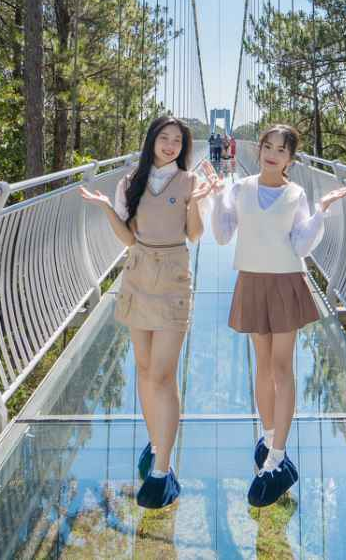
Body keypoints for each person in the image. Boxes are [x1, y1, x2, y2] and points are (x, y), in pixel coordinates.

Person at [79, 115, 219, 508]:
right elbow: (128, 238)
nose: (171, 145)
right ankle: (157, 439)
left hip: (173, 277)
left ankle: (162, 467)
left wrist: (194, 201)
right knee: (143, 368)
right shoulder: (130, 182)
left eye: (178, 140)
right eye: (165, 137)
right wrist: (108, 207)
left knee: (163, 373)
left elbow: (194, 235)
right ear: (152, 140)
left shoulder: (190, 181)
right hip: (138, 274)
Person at [211, 123, 346, 507]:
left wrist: (321, 210)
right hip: (253, 280)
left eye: (281, 149)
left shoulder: (296, 193)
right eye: (268, 146)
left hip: (286, 280)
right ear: (260, 150)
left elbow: (301, 243)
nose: (273, 153)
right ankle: (269, 435)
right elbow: (223, 235)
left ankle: (277, 456)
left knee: (281, 368)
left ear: (291, 158)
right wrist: (218, 196)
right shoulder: (240, 188)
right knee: (262, 365)